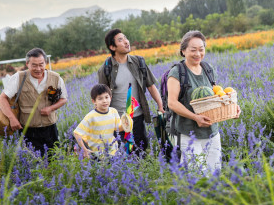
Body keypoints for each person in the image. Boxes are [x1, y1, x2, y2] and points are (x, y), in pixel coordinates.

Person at [166, 30, 239, 175]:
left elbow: (215, 96)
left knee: (214, 174)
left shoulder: (207, 69)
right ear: (183, 51)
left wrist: (232, 107)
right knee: (196, 177)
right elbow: (172, 103)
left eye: (201, 49)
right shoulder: (177, 73)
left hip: (212, 132)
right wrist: (195, 117)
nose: (198, 54)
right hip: (189, 134)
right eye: (193, 50)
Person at [98, 29, 164, 152]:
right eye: (120, 40)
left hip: (137, 118)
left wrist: (160, 106)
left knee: (142, 152)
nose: (126, 42)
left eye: (125, 38)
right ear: (112, 47)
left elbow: (151, 86)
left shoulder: (138, 62)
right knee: (124, 155)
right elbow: (101, 96)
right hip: (118, 121)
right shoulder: (106, 69)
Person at [0, 47, 68, 154]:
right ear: (27, 64)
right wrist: (12, 118)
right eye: (34, 65)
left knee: (54, 160)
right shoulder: (19, 78)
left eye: (41, 64)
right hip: (27, 129)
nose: (38, 68)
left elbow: (64, 99)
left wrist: (51, 108)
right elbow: (2, 98)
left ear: (45, 63)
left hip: (50, 128)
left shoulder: (56, 78)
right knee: (33, 162)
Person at [73, 83, 127, 159]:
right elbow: (77, 133)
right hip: (97, 155)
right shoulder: (91, 116)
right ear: (94, 101)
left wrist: (127, 125)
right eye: (100, 98)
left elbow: (118, 128)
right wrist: (84, 149)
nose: (104, 101)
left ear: (110, 98)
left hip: (113, 152)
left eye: (106, 97)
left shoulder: (113, 111)